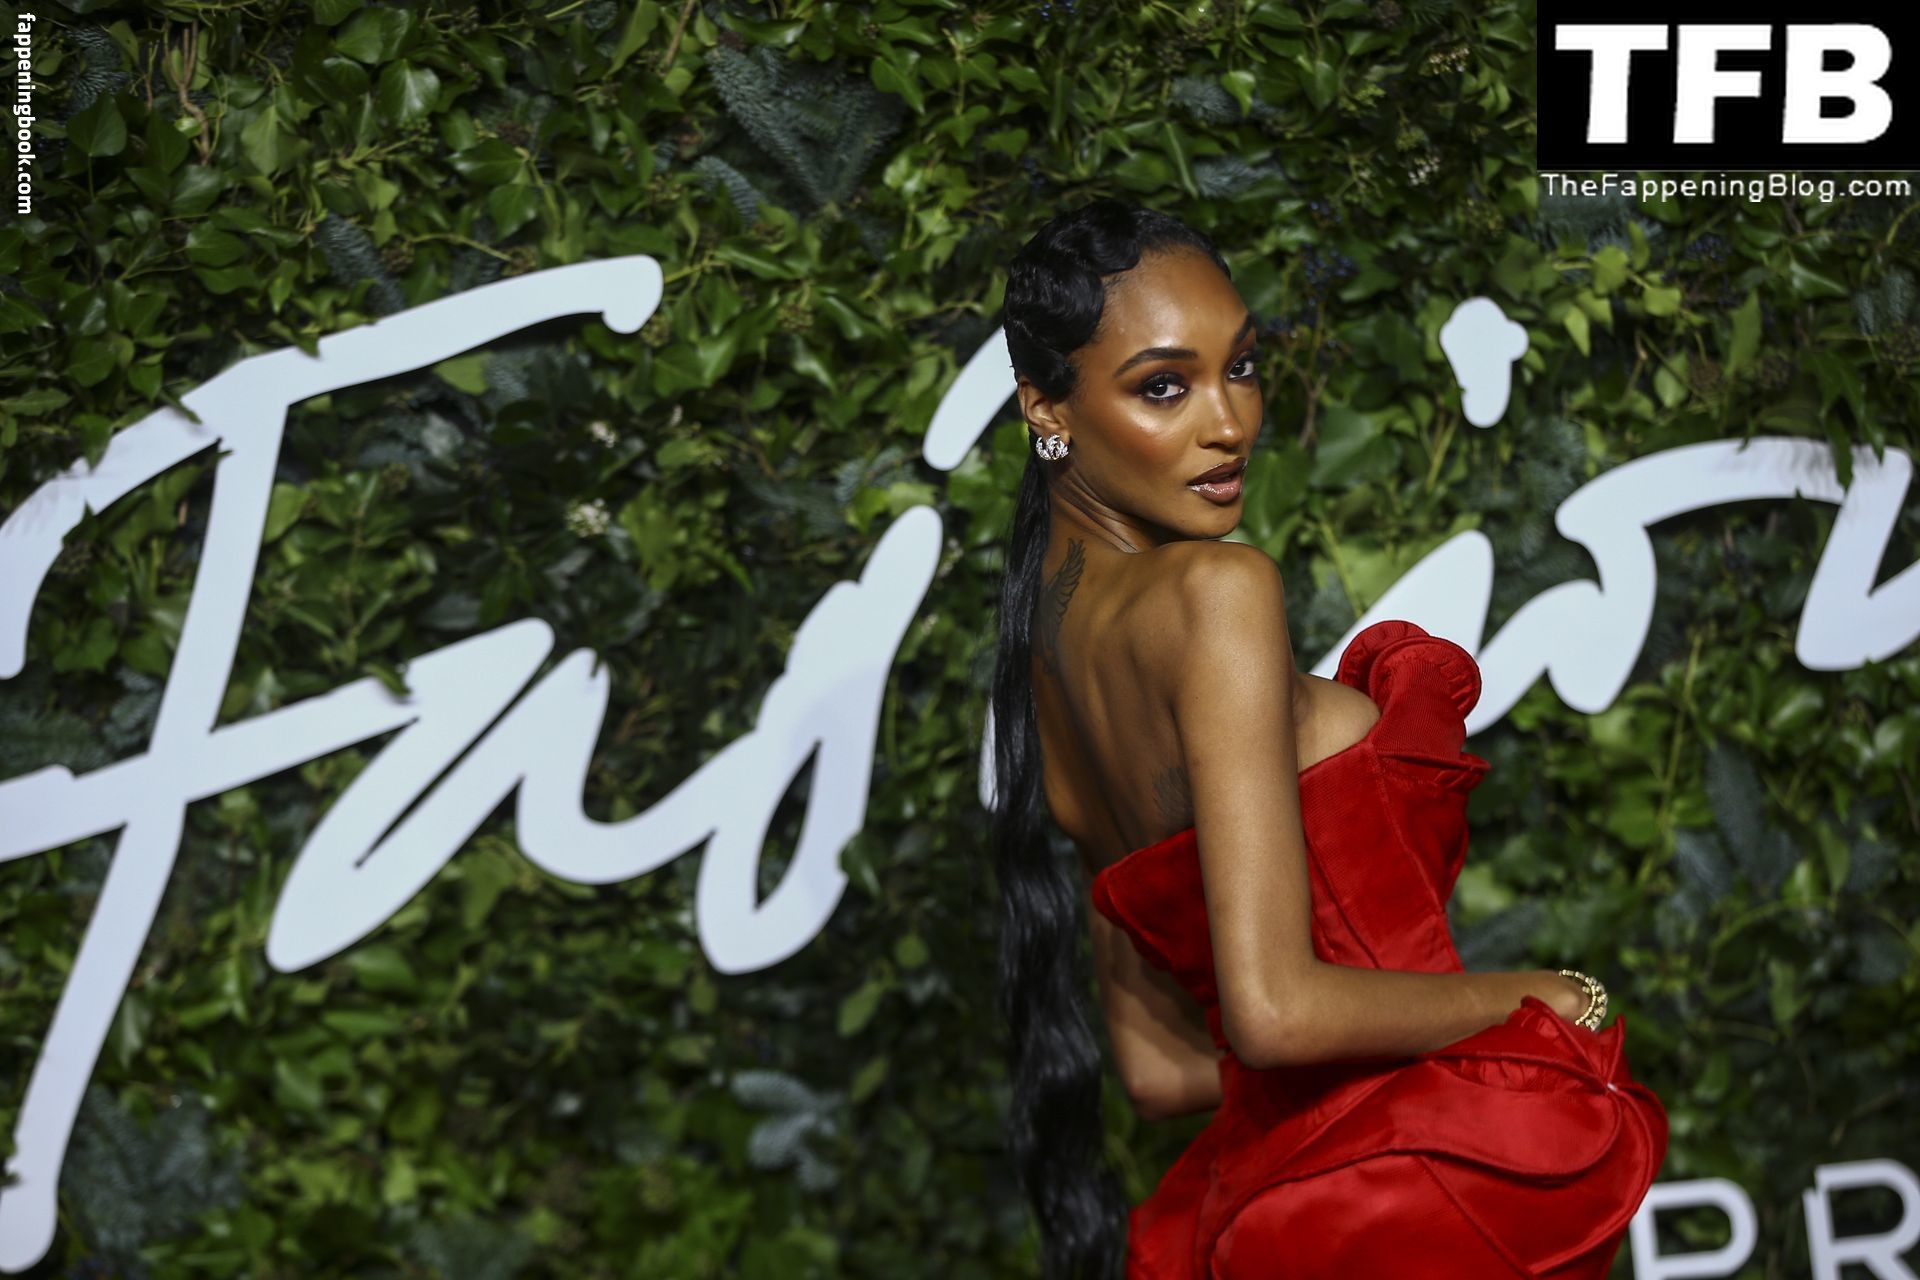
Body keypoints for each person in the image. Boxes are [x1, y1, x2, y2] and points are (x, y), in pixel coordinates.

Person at [986, 198, 1668, 1279]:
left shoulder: (1044, 666)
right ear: (1046, 407)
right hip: (1417, 1183)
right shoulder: (1215, 595)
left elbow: (1158, 1069)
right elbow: (1275, 1011)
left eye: (1243, 367)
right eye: (1163, 386)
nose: (1229, 423)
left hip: (1286, 1201)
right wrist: (1540, 996)